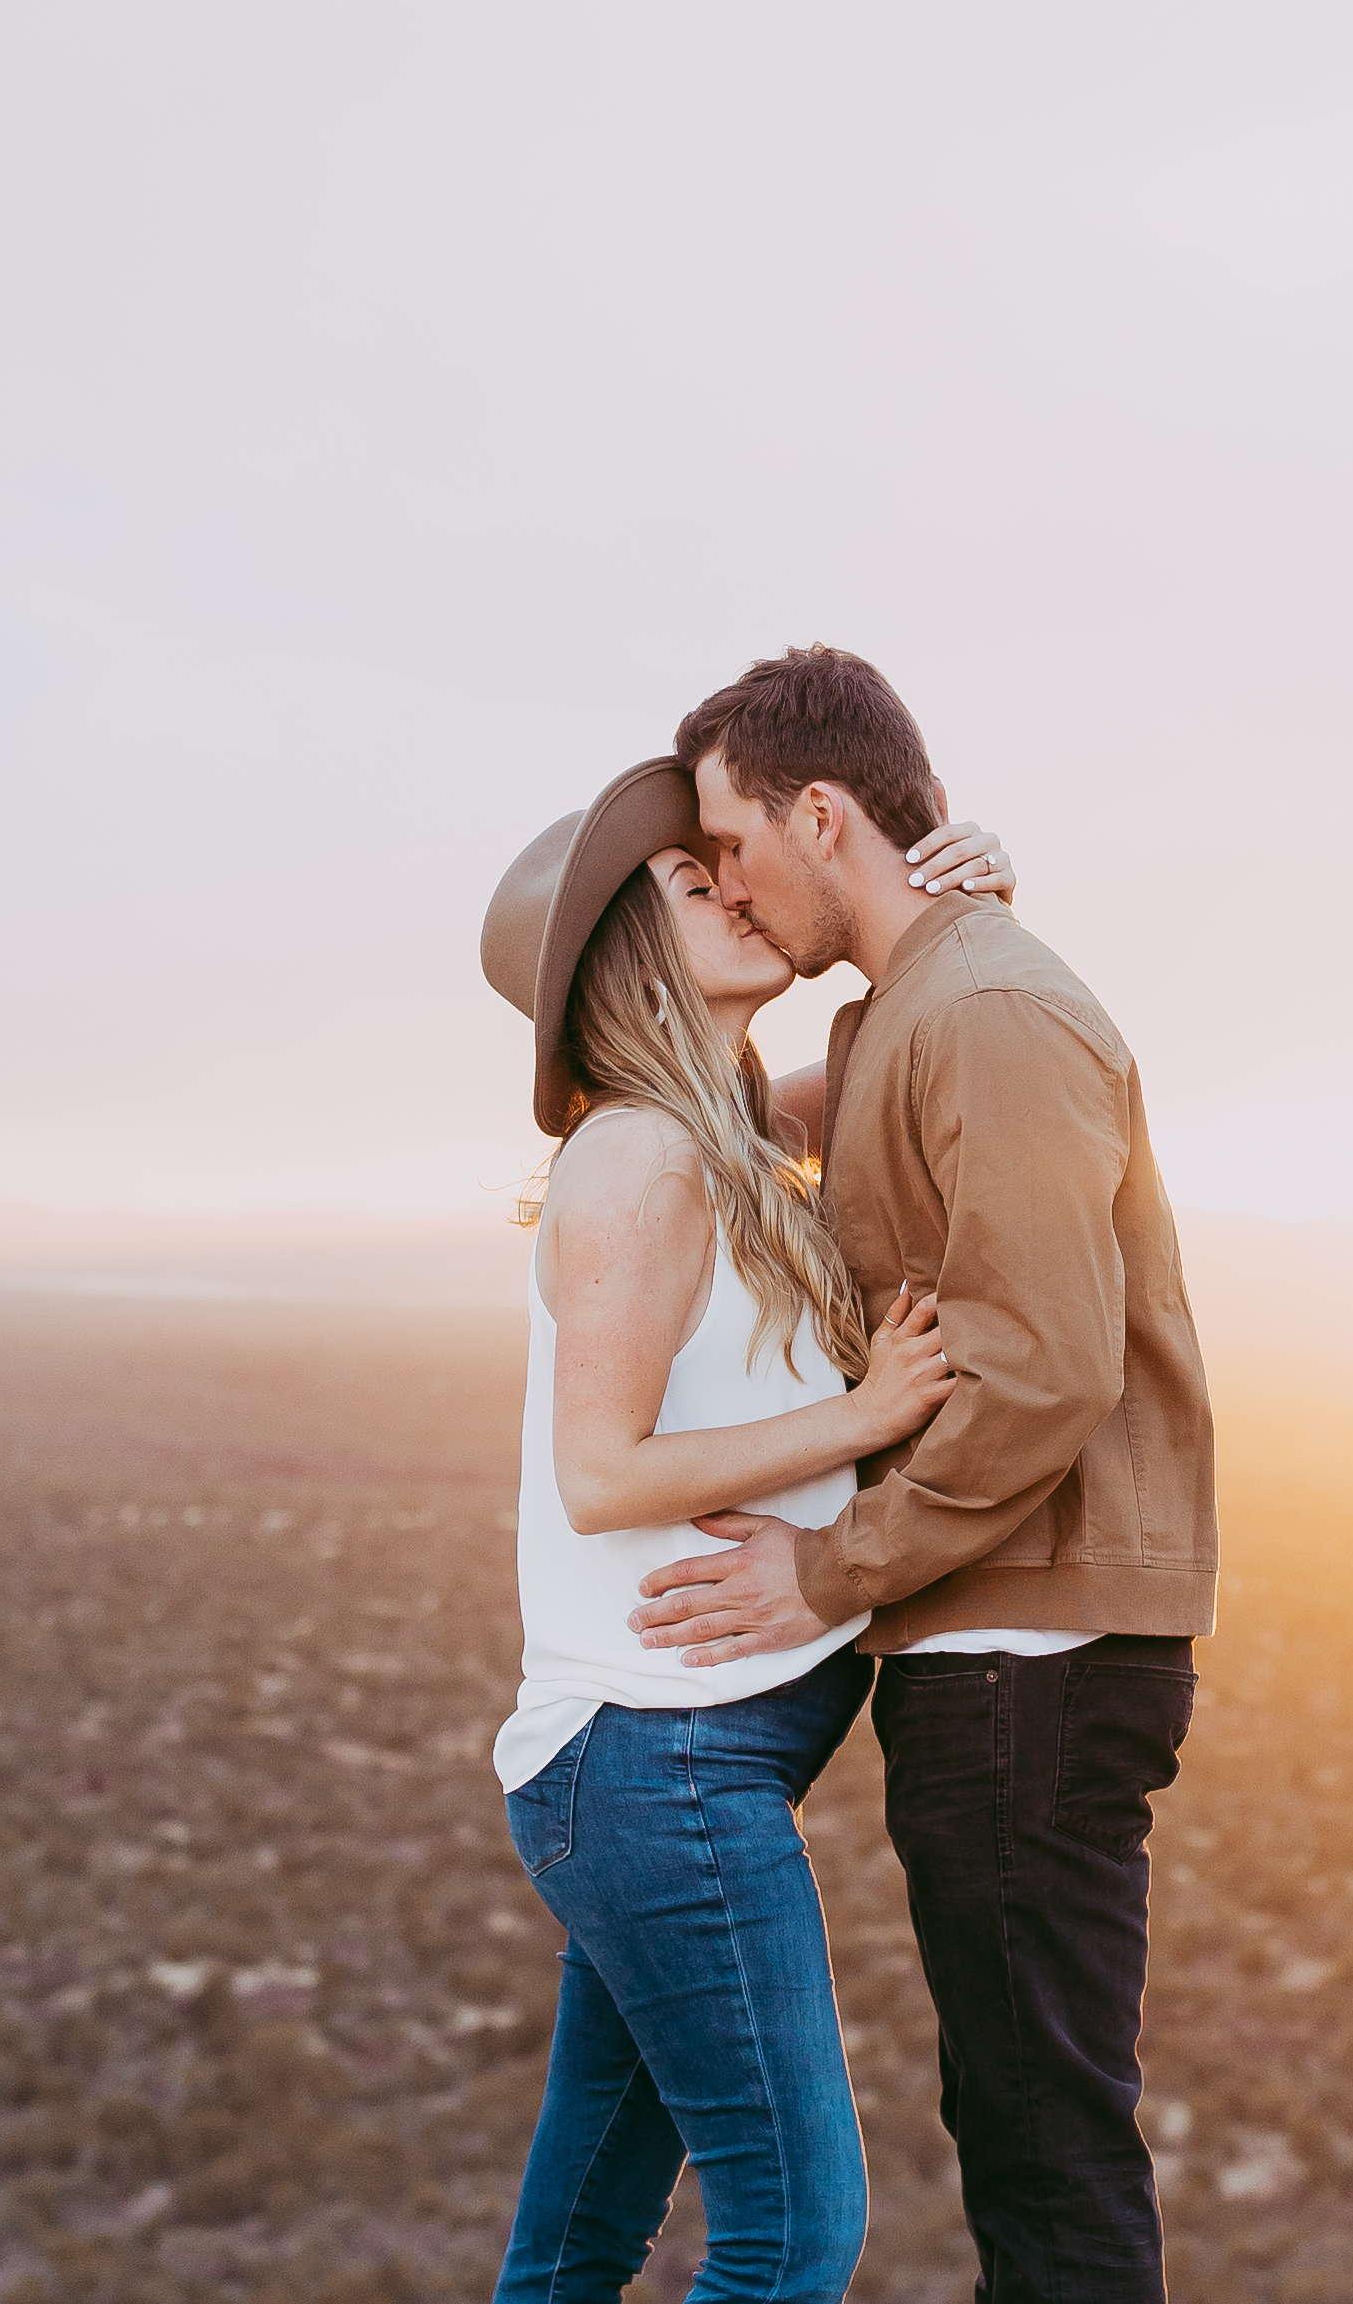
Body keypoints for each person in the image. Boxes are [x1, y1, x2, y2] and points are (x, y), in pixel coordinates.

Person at [632, 647, 1218, 2304]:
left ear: (823, 811)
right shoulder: (910, 1005)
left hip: (1028, 1652)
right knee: (1018, 2124)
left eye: (734, 842)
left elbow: (1041, 1367)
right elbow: (731, 1121)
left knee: (1046, 2148)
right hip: (984, 1648)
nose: (732, 882)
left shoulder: (988, 1009)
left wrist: (825, 1567)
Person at [476, 757, 1018, 2304]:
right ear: (616, 960)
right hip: (662, 1766)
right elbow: (601, 1467)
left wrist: (951, 903)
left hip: (658, 1769)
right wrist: (863, 1415)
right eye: (679, 880)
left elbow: (886, 1058)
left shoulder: (716, 1131)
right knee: (792, 2239)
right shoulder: (641, 1153)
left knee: (578, 2245)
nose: (725, 880)